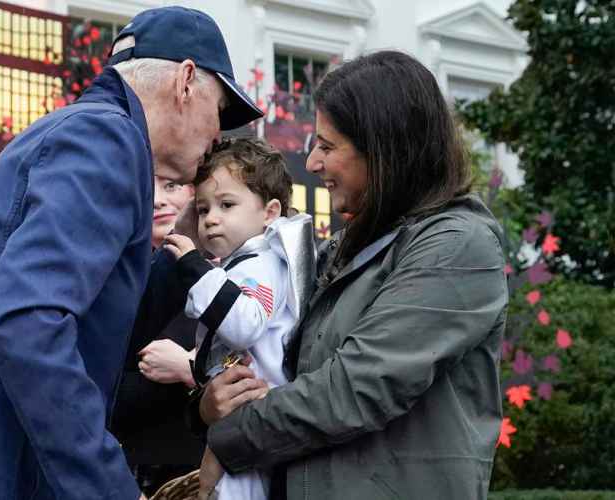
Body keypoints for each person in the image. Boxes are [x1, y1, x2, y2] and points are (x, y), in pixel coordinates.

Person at [0, 7, 262, 500]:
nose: (218, 137)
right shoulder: (105, 138)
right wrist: (107, 485)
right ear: (185, 81)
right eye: (220, 110)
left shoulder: (89, 133)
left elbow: (86, 326)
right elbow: (27, 322)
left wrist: (176, 259)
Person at [197, 51, 510, 499]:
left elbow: (356, 388)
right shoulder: (343, 247)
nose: (312, 162)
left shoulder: (458, 243)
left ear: (384, 149)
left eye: (327, 145)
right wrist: (212, 402)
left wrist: (231, 440)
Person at [162, 138, 313, 500]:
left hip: (258, 415)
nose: (211, 218)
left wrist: (194, 267)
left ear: (270, 212)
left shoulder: (262, 265)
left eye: (226, 205)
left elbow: (245, 323)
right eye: (202, 209)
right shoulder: (240, 265)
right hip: (242, 415)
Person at [109, 176, 203, 496]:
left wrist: (191, 368)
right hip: (136, 475)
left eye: (172, 186)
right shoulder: (118, 286)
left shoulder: (252, 278)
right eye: (147, 189)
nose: (158, 201)